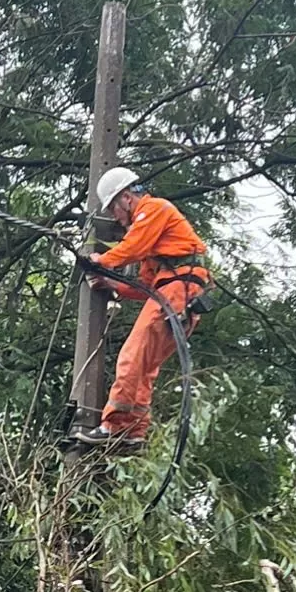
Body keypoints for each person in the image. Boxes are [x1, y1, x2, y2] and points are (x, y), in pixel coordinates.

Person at [75, 167, 211, 450]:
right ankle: (134, 432)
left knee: (131, 356)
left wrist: (102, 262)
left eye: (114, 208)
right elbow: (145, 285)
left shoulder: (154, 209)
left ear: (126, 198)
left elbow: (132, 248)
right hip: (176, 294)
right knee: (145, 367)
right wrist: (111, 284)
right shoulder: (158, 247)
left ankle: (111, 426)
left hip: (177, 292)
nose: (115, 216)